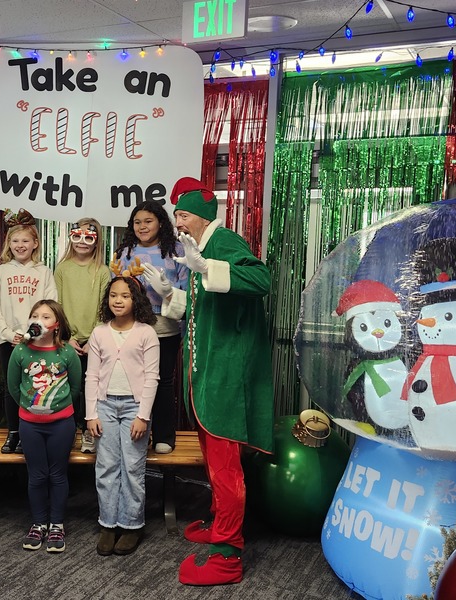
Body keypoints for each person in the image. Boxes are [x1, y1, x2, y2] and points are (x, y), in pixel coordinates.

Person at [143, 177, 274, 586]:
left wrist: (207, 268)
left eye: (181, 216)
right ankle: (219, 521)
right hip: (207, 373)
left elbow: (262, 281)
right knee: (213, 461)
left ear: (199, 216)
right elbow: (203, 308)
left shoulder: (223, 242)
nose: (177, 224)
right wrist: (169, 294)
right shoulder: (199, 249)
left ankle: (227, 554)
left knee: (225, 465)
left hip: (225, 376)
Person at [85, 277, 159, 556]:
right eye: (113, 295)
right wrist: (91, 413)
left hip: (134, 408)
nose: (118, 300)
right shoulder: (99, 333)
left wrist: (143, 415)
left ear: (135, 300)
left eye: (125, 296)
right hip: (105, 406)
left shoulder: (146, 333)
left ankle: (131, 525)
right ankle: (108, 524)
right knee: (106, 467)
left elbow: (152, 377)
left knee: (132, 468)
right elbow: (92, 375)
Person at [113, 200, 188, 454]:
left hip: (165, 327)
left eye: (148, 221)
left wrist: (167, 290)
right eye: (137, 222)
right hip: (132, 327)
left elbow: (187, 290)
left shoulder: (177, 249)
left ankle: (164, 436)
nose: (142, 226)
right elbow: (116, 291)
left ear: (160, 222)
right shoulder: (125, 252)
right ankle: (138, 435)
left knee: (163, 382)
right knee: (136, 382)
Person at [7, 299, 82, 553]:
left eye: (46, 316)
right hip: (30, 425)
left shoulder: (67, 353)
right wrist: (30, 409)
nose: (39, 319)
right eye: (35, 314)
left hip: (62, 425)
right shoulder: (20, 352)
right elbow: (13, 388)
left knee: (58, 475)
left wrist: (58, 409)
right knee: (37, 475)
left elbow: (75, 388)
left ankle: (57, 525)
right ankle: (39, 524)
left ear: (56, 324)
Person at [0, 209, 58, 454]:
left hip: (37, 341)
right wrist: (8, 333)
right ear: (9, 243)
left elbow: (51, 306)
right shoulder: (1, 272)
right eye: (15, 240)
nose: (20, 245)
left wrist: (35, 332)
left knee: (36, 386)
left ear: (35, 243)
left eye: (25, 240)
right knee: (12, 388)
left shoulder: (44, 272)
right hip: (9, 341)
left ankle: (32, 433)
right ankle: (13, 433)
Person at [54, 218, 111, 454]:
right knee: (67, 388)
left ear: (97, 240)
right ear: (71, 237)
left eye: (89, 237)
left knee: (92, 389)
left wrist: (94, 339)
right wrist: (66, 337)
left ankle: (89, 432)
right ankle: (67, 433)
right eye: (78, 236)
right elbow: (56, 304)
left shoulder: (103, 271)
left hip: (94, 341)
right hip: (67, 340)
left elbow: (104, 307)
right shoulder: (62, 269)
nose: (82, 242)